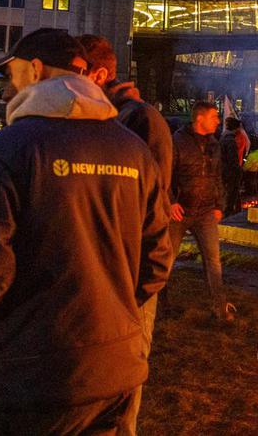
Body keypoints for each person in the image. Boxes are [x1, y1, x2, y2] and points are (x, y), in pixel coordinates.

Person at [0, 28, 173, 435]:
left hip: (25, 375)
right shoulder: (132, 150)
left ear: (36, 70)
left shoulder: (4, 151)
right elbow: (157, 259)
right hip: (113, 368)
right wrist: (109, 317)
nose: (9, 86)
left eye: (12, 74)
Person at [77, 33, 176, 436]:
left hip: (126, 269)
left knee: (123, 374)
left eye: (77, 73)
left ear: (99, 75)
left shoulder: (141, 119)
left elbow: (151, 205)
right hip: (94, 268)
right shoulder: (93, 118)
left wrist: (141, 280)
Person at [169, 100, 234, 323]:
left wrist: (219, 205)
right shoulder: (177, 142)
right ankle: (160, 304)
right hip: (180, 212)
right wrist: (170, 202)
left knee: (214, 261)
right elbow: (163, 174)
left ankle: (220, 307)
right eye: (214, 116)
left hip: (206, 211)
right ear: (200, 119)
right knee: (166, 259)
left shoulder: (214, 145)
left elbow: (217, 178)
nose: (218, 121)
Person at [219, 116, 249, 215]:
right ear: (236, 128)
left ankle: (236, 211)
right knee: (232, 193)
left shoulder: (223, 137)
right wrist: (238, 170)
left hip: (224, 170)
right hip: (230, 172)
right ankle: (230, 213)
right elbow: (233, 159)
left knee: (232, 193)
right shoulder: (230, 140)